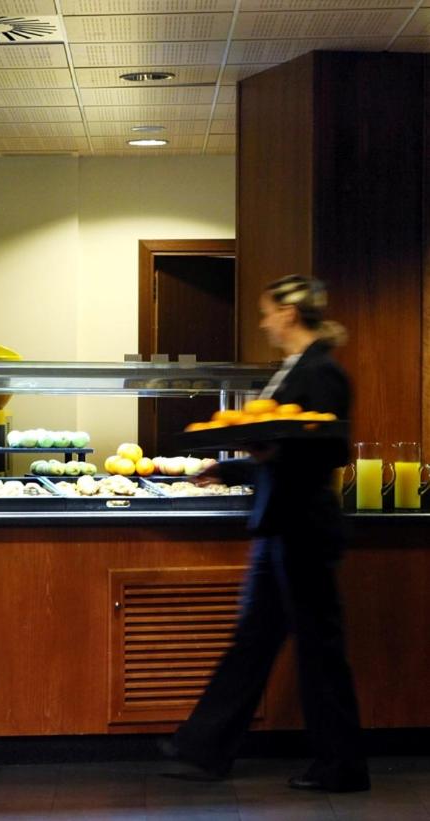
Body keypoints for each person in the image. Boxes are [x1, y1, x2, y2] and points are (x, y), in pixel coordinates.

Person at [161, 275, 369, 793]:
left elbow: (327, 449)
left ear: (289, 313)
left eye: (267, 311)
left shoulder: (321, 371)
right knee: (254, 639)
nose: (263, 322)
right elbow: (276, 448)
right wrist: (230, 468)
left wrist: (265, 453)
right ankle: (203, 748)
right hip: (281, 523)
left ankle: (342, 766)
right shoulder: (294, 368)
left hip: (304, 527)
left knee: (319, 650)